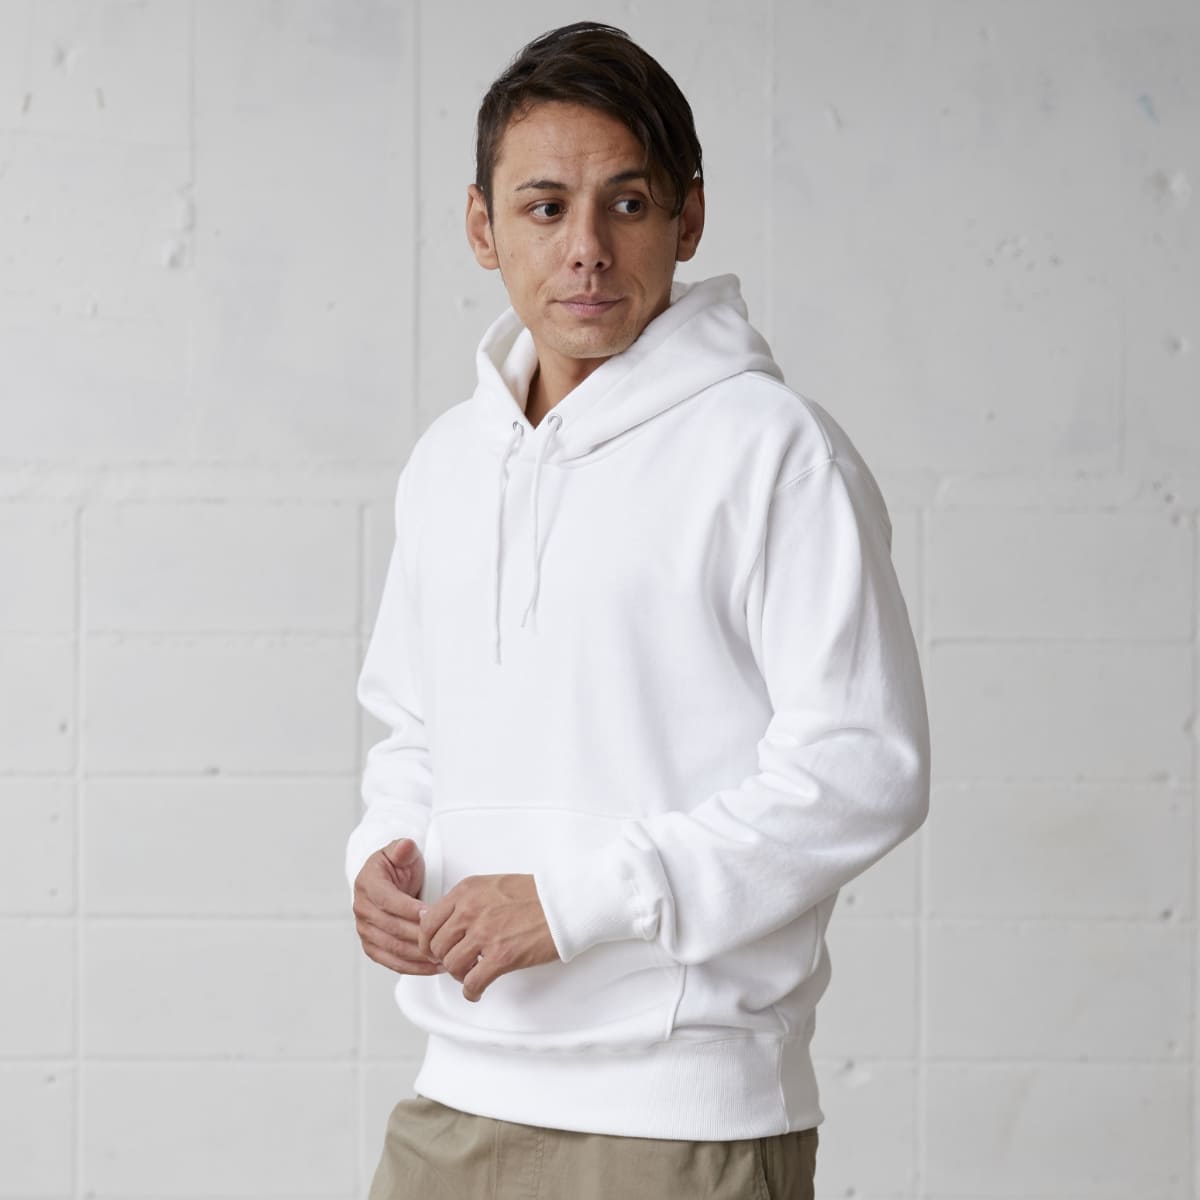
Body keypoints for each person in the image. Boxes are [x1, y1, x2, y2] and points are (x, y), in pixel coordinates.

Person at [348, 20, 930, 1200]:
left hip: (683, 1114)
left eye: (628, 203)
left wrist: (575, 904)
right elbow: (411, 732)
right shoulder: (449, 462)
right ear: (482, 228)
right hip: (456, 1095)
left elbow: (864, 767)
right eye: (546, 207)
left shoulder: (773, 451)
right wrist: (380, 859)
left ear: (688, 218)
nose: (587, 251)